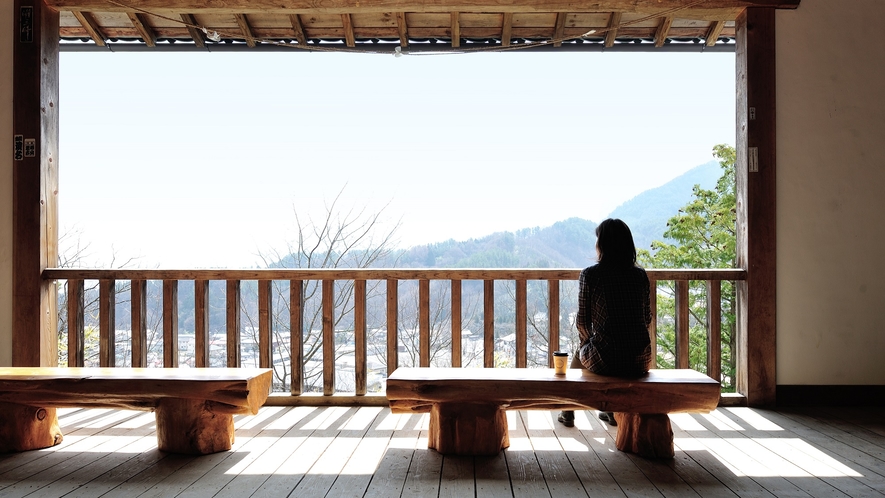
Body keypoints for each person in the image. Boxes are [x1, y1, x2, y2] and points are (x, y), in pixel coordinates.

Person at [558, 218, 652, 428]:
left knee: (582, 353)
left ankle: (568, 410)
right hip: (640, 358)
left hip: (607, 358)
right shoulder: (639, 275)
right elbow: (647, 318)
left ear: (603, 244)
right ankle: (609, 410)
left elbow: (582, 322)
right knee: (601, 352)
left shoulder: (591, 275)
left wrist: (586, 343)